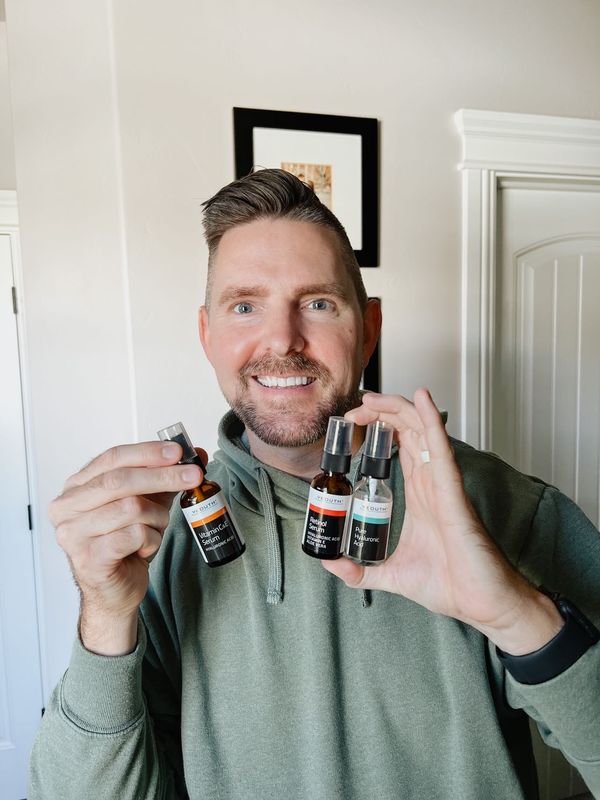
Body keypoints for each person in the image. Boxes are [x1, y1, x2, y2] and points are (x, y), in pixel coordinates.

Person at [29, 169, 600, 800]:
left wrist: (519, 617)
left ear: (369, 327)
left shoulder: (506, 507)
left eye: (318, 303)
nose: (282, 340)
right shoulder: (156, 541)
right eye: (245, 306)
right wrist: (107, 617)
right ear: (207, 334)